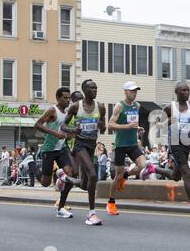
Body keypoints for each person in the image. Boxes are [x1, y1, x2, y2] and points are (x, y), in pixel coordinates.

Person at [143, 82, 190, 221]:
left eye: (188, 90)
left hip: (186, 143)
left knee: (175, 176)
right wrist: (168, 122)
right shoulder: (169, 108)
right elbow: (158, 125)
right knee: (187, 173)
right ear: (177, 92)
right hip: (175, 144)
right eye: (183, 90)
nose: (187, 92)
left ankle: (152, 169)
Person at [62, 80, 106, 225]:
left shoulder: (100, 107)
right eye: (91, 88)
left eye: (96, 87)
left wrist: (101, 126)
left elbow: (104, 129)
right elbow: (63, 126)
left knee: (84, 183)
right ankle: (91, 214)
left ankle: (66, 179)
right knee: (93, 175)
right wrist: (73, 130)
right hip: (80, 145)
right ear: (84, 90)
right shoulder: (76, 107)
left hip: (91, 146)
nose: (95, 90)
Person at [106, 81, 153, 216]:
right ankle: (111, 202)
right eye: (132, 91)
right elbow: (110, 125)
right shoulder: (119, 106)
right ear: (125, 91)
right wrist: (127, 127)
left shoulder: (137, 106)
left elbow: (133, 123)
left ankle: (126, 175)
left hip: (132, 143)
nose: (135, 93)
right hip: (120, 145)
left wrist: (138, 129)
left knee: (142, 165)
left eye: (136, 91)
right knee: (117, 175)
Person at [34, 87, 79, 219]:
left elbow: (64, 129)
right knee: (45, 182)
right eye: (65, 98)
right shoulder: (52, 110)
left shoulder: (68, 113)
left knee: (70, 175)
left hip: (61, 148)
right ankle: (30, 164)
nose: (67, 100)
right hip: (49, 149)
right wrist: (55, 133)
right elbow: (37, 124)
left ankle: (61, 208)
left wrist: (70, 134)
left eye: (69, 98)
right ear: (58, 98)